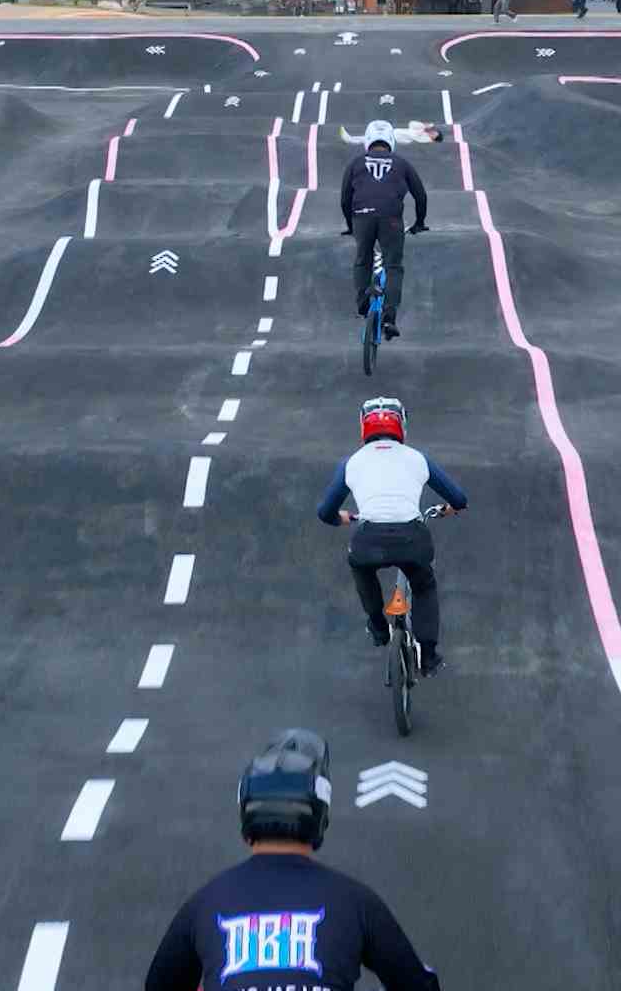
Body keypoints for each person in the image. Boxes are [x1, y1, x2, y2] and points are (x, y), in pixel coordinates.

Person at [144, 729, 442, 991]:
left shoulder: (205, 903)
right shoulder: (356, 902)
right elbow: (417, 984)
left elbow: (160, 984)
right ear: (320, 818)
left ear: (246, 815)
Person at [318, 398, 468, 677]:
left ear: (363, 426)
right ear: (402, 426)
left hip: (369, 539)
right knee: (423, 585)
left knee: (361, 567)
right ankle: (429, 657)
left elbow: (325, 512)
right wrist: (448, 509)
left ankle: (378, 626)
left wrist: (343, 517)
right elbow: (459, 498)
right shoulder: (417, 458)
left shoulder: (352, 462)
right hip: (412, 539)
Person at [339, 120, 427, 340]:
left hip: (362, 218)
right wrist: (419, 222)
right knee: (393, 266)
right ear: (391, 141)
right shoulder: (402, 163)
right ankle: (389, 318)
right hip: (392, 220)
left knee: (363, 259)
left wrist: (350, 226)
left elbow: (345, 199)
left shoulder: (356, 163)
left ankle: (362, 305)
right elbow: (421, 195)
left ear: (368, 140)